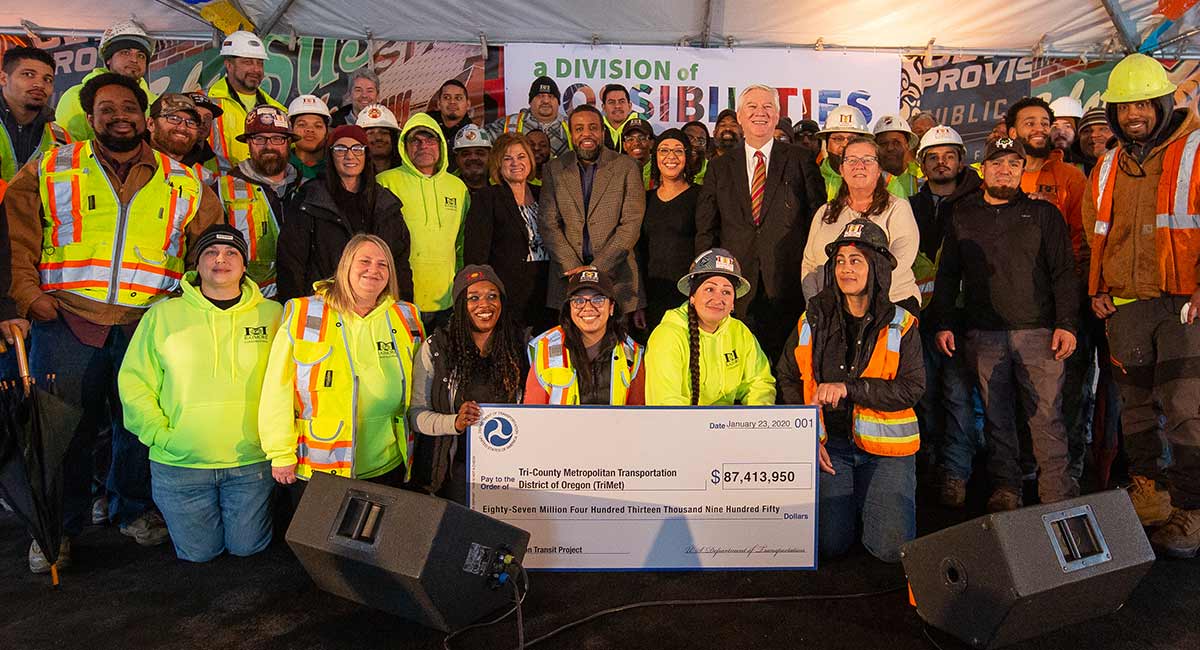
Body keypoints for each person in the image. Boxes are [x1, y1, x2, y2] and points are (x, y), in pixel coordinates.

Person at [5, 72, 222, 572]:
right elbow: (15, 237)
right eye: (107, 109)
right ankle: (55, 529)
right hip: (65, 321)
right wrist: (27, 296)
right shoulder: (54, 166)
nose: (118, 116)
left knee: (139, 428)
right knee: (59, 431)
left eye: (128, 108)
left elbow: (206, 250)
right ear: (91, 116)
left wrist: (186, 309)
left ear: (144, 117)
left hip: (147, 327)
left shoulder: (184, 181)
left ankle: (133, 510)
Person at [1082, 54, 1200, 556]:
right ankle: (1151, 494)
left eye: (1142, 104)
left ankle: (1192, 510)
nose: (1133, 114)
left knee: (1185, 411)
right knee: (1133, 409)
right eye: (1123, 106)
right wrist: (1099, 286)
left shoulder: (1196, 151)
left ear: (1161, 101)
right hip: (1127, 304)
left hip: (1182, 304)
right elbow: (1097, 231)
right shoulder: (1109, 163)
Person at [931, 137, 1079, 512]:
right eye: (997, 163)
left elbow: (1064, 273)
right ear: (983, 169)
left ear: (1021, 169)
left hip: (1039, 332)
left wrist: (1067, 324)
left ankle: (1056, 496)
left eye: (1014, 164)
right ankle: (1006, 488)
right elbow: (948, 275)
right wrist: (944, 322)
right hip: (984, 333)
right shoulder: (962, 214)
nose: (1005, 170)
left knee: (1047, 417)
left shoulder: (1045, 215)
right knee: (996, 417)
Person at [118, 225, 281, 563]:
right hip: (181, 466)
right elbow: (135, 382)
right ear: (197, 263)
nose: (221, 259)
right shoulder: (163, 315)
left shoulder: (274, 315)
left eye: (231, 252)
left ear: (244, 263)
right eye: (211, 252)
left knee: (247, 548)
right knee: (198, 555)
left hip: (251, 464)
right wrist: (160, 435)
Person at [777, 219, 924, 563]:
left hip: (887, 451)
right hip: (833, 448)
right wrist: (806, 437)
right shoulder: (812, 317)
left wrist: (849, 389)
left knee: (891, 550)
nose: (846, 269)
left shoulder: (902, 323)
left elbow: (912, 389)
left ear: (876, 268)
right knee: (829, 545)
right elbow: (787, 375)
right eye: (840, 261)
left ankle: (873, 501)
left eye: (855, 260)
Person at [259, 235, 425, 494]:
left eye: (383, 264)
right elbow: (276, 389)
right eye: (365, 261)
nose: (374, 270)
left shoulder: (407, 316)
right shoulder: (304, 313)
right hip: (321, 466)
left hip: (387, 463)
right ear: (345, 265)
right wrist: (280, 453)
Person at [695, 84, 824, 362]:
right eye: (752, 107)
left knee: (786, 366)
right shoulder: (719, 166)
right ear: (740, 116)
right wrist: (707, 280)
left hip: (788, 284)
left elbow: (818, 222)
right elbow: (707, 228)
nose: (760, 113)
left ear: (777, 115)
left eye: (767, 107)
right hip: (735, 285)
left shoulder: (800, 160)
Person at [909, 125, 984, 506]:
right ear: (921, 164)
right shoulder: (910, 206)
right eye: (933, 157)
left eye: (948, 156)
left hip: (961, 318)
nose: (941, 163)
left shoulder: (978, 204)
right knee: (923, 396)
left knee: (958, 397)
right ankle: (928, 465)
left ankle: (956, 472)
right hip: (919, 319)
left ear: (961, 159)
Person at [409, 265, 527, 504]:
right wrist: (455, 422)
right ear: (461, 304)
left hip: (507, 473)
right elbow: (415, 416)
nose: (485, 305)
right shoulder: (436, 348)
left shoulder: (522, 346)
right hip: (453, 473)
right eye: (473, 298)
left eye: (492, 296)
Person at [277, 125, 413, 303]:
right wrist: (294, 307)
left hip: (376, 305)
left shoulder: (385, 202)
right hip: (325, 304)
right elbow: (291, 261)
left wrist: (404, 306)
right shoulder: (310, 198)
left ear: (366, 154)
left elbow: (400, 262)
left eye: (357, 148)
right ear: (331, 155)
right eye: (341, 149)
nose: (350, 155)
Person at [539, 104, 646, 327]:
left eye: (593, 128)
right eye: (579, 129)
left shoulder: (627, 167)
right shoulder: (553, 169)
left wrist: (595, 270)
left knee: (616, 354)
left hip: (617, 280)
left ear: (603, 132)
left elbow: (631, 224)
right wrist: (575, 270)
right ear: (571, 134)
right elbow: (548, 224)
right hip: (566, 280)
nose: (586, 134)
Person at [802, 136, 921, 314]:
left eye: (868, 160)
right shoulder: (824, 213)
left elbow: (901, 260)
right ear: (841, 169)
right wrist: (816, 305)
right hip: (831, 312)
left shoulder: (897, 208)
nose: (859, 165)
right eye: (851, 160)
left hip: (890, 307)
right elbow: (809, 265)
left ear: (879, 168)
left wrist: (858, 301)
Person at [645, 249, 775, 406]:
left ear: (733, 303)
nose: (718, 298)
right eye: (709, 289)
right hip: (682, 427)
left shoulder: (740, 332)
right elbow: (667, 401)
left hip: (727, 427)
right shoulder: (667, 336)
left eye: (726, 292)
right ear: (692, 297)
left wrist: (756, 422)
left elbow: (759, 383)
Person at [378, 113, 470, 327]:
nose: (423, 146)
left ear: (440, 146)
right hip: (399, 296)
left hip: (446, 298)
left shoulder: (458, 187)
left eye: (430, 140)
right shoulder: (385, 182)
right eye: (415, 141)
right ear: (404, 146)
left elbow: (463, 242)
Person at [464, 132, 551, 331]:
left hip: (545, 291)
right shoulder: (487, 198)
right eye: (507, 158)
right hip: (508, 294)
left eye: (521, 156)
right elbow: (476, 254)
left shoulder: (544, 194)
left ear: (530, 160)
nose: (515, 163)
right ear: (498, 164)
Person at [217, 105, 305, 299]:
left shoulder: (308, 189)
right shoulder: (221, 190)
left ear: (289, 142)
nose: (269, 146)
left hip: (302, 301)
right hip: (248, 304)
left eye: (277, 138)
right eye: (259, 139)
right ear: (248, 143)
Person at [526, 267, 645, 404]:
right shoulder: (545, 348)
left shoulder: (632, 354)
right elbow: (533, 413)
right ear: (569, 307)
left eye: (598, 300)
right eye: (578, 301)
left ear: (611, 307)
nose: (588, 308)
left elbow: (638, 415)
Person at [55, 21, 157, 141]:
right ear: (108, 59)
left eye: (141, 55)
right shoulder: (75, 96)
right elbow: (65, 150)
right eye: (125, 52)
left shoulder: (156, 103)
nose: (134, 60)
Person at [639, 129, 700, 331]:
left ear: (687, 156)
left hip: (689, 295)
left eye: (678, 151)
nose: (670, 157)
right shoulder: (644, 199)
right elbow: (638, 252)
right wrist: (638, 302)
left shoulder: (702, 196)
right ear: (655, 156)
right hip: (652, 294)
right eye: (664, 150)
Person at [207, 31, 285, 167]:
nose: (256, 69)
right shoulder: (207, 103)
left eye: (260, 63)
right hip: (216, 185)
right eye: (247, 62)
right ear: (229, 65)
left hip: (263, 185)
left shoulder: (278, 110)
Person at [1, 46, 70, 182]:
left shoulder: (61, 139)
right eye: (28, 74)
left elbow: (63, 188)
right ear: (3, 78)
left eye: (47, 79)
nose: (39, 84)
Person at [486, 76, 571, 157]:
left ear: (558, 102)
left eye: (551, 96)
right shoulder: (509, 123)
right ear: (530, 101)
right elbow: (478, 139)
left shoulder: (571, 125)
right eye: (540, 96)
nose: (546, 101)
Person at [179, 91, 229, 179]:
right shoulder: (161, 157)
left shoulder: (223, 166)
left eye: (208, 117)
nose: (202, 121)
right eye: (196, 115)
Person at [872, 114, 921, 197]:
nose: (890, 148)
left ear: (907, 145)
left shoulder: (922, 175)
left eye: (896, 143)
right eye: (883, 144)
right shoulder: (867, 176)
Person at [287, 94, 331, 182]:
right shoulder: (279, 164)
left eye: (318, 126)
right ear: (291, 130)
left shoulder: (338, 166)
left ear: (327, 133)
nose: (310, 130)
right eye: (302, 125)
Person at [357, 103, 404, 172]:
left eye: (384, 132)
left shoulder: (408, 174)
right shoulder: (353, 177)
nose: (378, 137)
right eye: (370, 133)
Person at [428, 79, 471, 152]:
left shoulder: (472, 134)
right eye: (446, 97)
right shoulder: (425, 126)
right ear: (439, 104)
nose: (452, 102)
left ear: (468, 104)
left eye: (458, 98)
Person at [453, 123, 492, 193]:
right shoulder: (446, 188)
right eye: (466, 154)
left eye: (480, 153)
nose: (473, 158)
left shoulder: (503, 187)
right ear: (457, 159)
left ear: (490, 156)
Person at [1073, 107, 1113, 176]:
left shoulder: (1130, 166)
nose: (1094, 135)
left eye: (1103, 129)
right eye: (1087, 131)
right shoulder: (1068, 172)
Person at [600, 83, 636, 152]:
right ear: (603, 107)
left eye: (622, 101)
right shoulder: (596, 129)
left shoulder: (642, 128)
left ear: (629, 106)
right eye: (611, 102)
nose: (617, 106)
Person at [622, 117, 655, 188]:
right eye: (630, 139)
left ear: (651, 143)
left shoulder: (661, 169)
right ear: (624, 145)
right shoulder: (616, 170)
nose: (636, 143)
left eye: (642, 138)